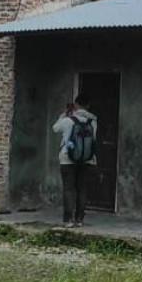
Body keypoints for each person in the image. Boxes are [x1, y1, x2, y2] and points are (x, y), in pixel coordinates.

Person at [52, 93, 97, 228]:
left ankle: (68, 220)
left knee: (69, 189)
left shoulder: (68, 120)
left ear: (76, 105)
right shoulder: (93, 121)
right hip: (86, 159)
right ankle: (80, 219)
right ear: (88, 105)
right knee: (82, 189)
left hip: (67, 158)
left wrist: (64, 115)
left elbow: (55, 128)